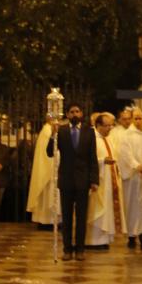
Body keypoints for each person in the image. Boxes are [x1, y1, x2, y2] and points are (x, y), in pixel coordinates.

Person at [47, 104, 99, 260]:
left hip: (83, 180)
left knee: (82, 217)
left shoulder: (89, 132)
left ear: (81, 113)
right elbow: (50, 152)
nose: (75, 114)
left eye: (77, 111)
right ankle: (67, 249)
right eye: (72, 112)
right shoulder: (61, 131)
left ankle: (80, 249)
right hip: (66, 180)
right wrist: (52, 135)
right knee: (67, 217)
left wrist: (94, 180)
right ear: (67, 114)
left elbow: (93, 157)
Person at [117, 105, 142, 249]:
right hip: (133, 176)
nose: (138, 121)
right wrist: (135, 165)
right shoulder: (126, 135)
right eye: (135, 118)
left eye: (140, 118)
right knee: (132, 206)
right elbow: (125, 153)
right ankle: (132, 235)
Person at [85, 111, 125, 248]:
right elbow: (87, 160)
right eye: (107, 126)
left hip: (109, 181)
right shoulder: (91, 139)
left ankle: (104, 240)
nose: (110, 128)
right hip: (98, 181)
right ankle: (93, 241)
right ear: (98, 125)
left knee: (107, 211)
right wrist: (103, 161)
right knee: (97, 211)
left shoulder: (107, 139)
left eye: (111, 125)